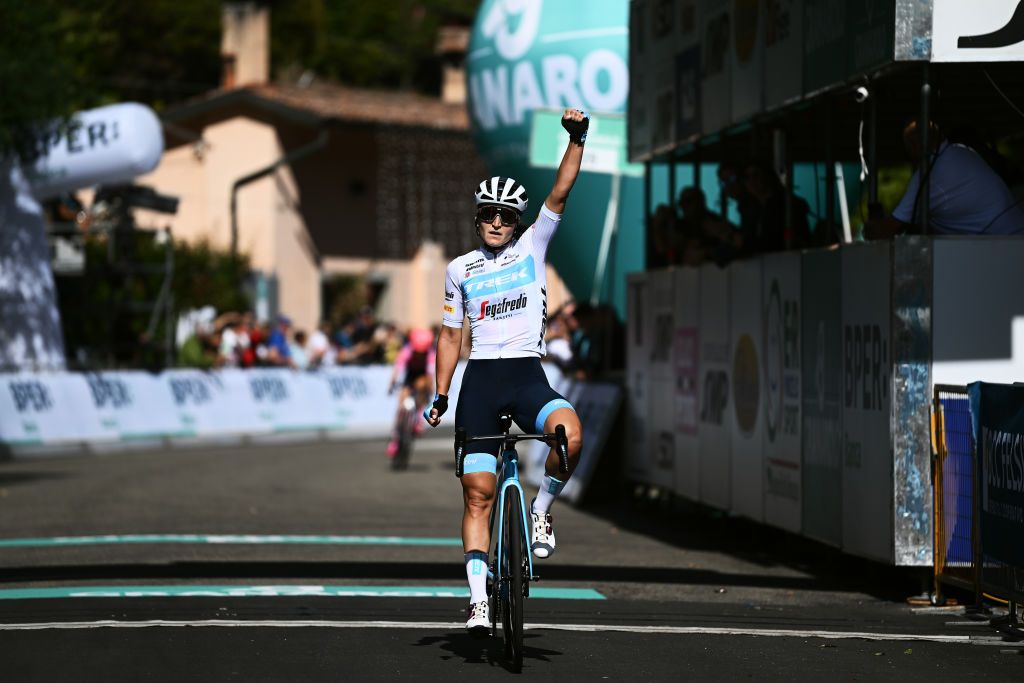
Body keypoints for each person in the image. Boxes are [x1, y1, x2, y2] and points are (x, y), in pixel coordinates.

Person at [425, 109, 587, 635]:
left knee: (570, 434)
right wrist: (440, 392)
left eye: (507, 216)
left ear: (517, 223)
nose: (498, 222)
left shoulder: (532, 247)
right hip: (480, 384)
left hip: (525, 378)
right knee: (478, 492)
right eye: (489, 214)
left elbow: (559, 193)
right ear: (477, 219)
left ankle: (541, 509)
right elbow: (451, 336)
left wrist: (577, 138)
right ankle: (478, 600)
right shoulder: (459, 270)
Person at [865, 120, 1024, 238]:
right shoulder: (963, 151)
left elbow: (888, 229)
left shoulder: (928, 175)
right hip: (1013, 238)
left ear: (914, 147)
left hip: (1002, 247)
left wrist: (871, 227)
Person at [385, 327, 436, 459]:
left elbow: (430, 374)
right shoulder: (407, 351)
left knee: (422, 386)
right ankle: (396, 438)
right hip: (409, 376)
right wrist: (392, 383)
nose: (420, 354)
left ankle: (419, 419)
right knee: (402, 401)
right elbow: (398, 369)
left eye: (422, 352)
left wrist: (430, 390)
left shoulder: (430, 354)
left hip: (422, 377)